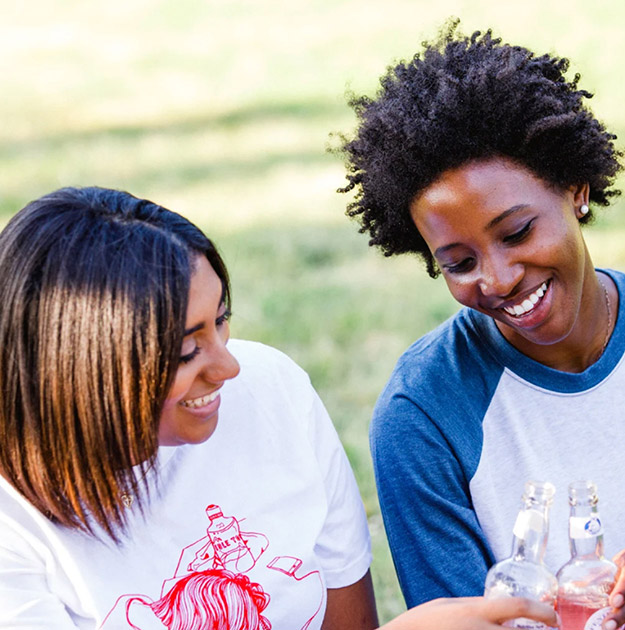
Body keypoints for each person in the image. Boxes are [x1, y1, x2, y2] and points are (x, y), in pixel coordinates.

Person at [0, 186, 557, 629]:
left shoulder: (271, 394)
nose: (228, 368)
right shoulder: (13, 523)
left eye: (221, 319)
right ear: (78, 372)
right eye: (188, 350)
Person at [338, 19, 625, 630]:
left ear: (576, 189)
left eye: (517, 232)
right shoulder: (424, 415)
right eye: (459, 263)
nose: (494, 280)